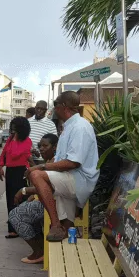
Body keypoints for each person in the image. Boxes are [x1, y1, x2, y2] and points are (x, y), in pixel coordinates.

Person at [27, 91, 99, 241]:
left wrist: (41, 168)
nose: (53, 108)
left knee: (37, 176)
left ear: (64, 106)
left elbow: (73, 162)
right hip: (70, 177)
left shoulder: (80, 127)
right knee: (41, 180)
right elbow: (60, 160)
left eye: (55, 104)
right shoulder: (69, 126)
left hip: (79, 180)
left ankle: (55, 224)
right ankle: (64, 228)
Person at [9, 133, 58, 264]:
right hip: (47, 201)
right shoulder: (49, 161)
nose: (41, 149)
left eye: (45, 146)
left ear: (55, 147)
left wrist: (24, 190)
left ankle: (38, 252)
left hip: (55, 204)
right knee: (23, 210)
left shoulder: (54, 162)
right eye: (40, 146)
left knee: (15, 215)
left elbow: (50, 188)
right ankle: (42, 248)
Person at [0, 116, 32, 238]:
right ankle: (12, 228)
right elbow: (4, 153)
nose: (12, 131)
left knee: (20, 199)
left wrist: (15, 139)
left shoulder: (27, 141)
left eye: (15, 129)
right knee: (10, 199)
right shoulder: (11, 139)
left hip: (21, 171)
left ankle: (22, 226)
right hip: (11, 171)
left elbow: (14, 153)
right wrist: (1, 166)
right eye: (12, 128)